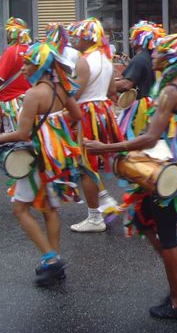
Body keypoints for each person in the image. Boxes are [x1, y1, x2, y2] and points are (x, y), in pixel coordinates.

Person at [85, 33, 177, 320]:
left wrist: (106, 147)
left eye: (158, 53)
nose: (152, 55)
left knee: (167, 236)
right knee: (143, 221)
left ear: (170, 59)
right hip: (165, 166)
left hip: (165, 173)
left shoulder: (170, 91)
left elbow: (152, 136)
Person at [0, 42, 83, 286]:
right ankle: (54, 264)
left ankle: (51, 259)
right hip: (54, 159)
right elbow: (76, 116)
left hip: (36, 158)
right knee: (49, 209)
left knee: (20, 209)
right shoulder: (60, 89)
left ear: (40, 65)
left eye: (27, 63)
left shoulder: (34, 94)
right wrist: (54, 125)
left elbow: (22, 134)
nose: (23, 68)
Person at [68, 17, 123, 233]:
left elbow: (75, 94)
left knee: (85, 165)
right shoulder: (107, 59)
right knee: (94, 160)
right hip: (103, 111)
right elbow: (112, 91)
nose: (74, 40)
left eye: (77, 37)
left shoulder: (84, 61)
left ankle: (94, 217)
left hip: (86, 113)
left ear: (86, 38)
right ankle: (105, 198)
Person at [116, 21, 165, 138]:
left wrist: (106, 85)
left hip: (140, 109)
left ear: (139, 39)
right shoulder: (150, 57)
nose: (130, 39)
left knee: (132, 137)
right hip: (151, 105)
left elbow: (126, 85)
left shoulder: (139, 58)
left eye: (133, 36)